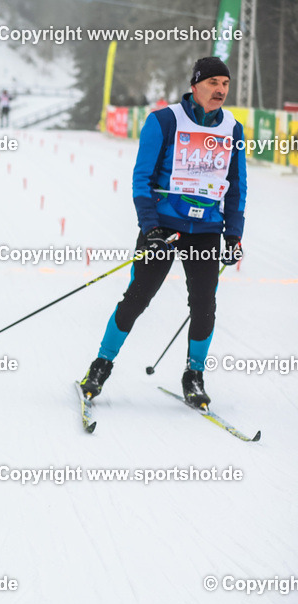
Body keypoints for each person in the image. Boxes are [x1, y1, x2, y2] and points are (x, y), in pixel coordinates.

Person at [79, 56, 246, 408]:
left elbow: (236, 186)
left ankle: (194, 376)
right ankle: (100, 366)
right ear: (195, 85)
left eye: (225, 84)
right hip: (165, 229)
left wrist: (234, 233)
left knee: (204, 306)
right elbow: (142, 178)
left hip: (206, 231)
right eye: (213, 82)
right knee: (136, 299)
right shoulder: (164, 121)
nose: (220, 90)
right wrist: (150, 227)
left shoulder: (232, 128)